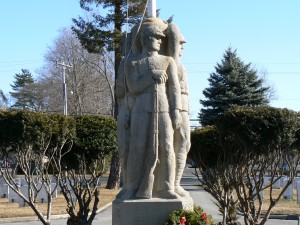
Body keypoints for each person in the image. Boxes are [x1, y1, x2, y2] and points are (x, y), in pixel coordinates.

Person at [123, 25, 182, 199]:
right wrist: (151, 77)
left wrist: (176, 110)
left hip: (163, 106)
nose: (159, 40)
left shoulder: (167, 61)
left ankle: (166, 187)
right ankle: (133, 187)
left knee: (166, 146)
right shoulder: (132, 62)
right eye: (156, 37)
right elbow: (133, 88)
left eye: (160, 38)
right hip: (141, 108)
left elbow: (174, 88)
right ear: (145, 39)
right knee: (137, 147)